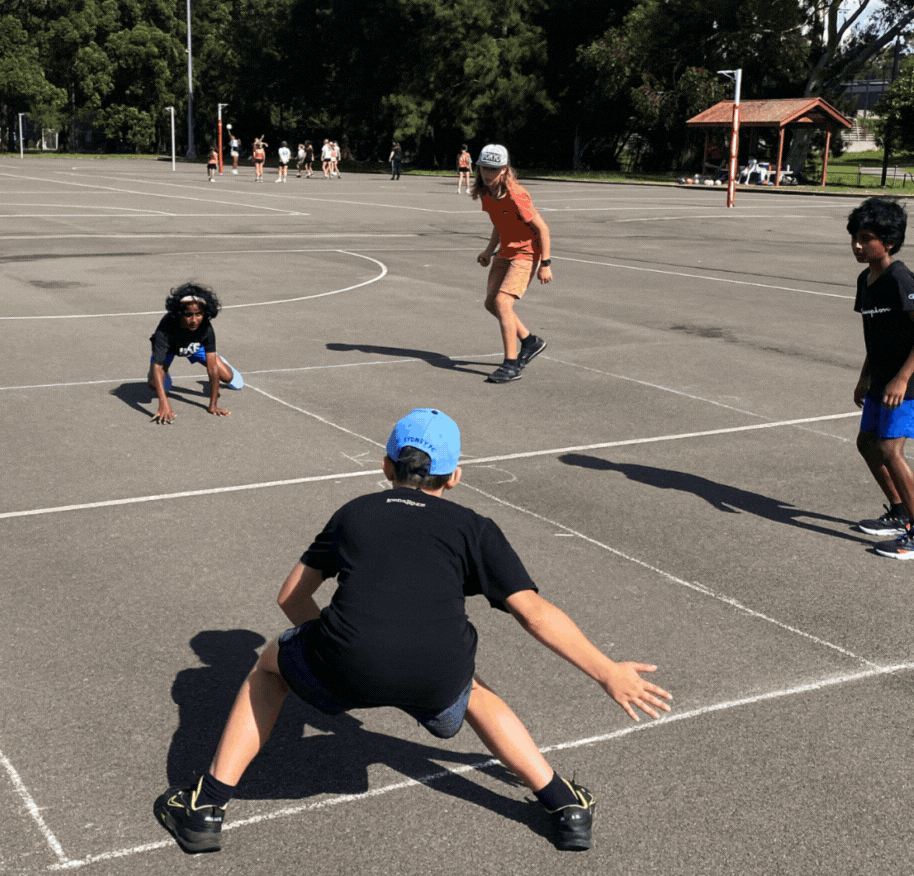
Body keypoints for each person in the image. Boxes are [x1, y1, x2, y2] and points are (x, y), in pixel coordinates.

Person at [154, 408, 672, 855]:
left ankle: (205, 808)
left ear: (385, 466)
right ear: (455, 476)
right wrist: (607, 672)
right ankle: (566, 808)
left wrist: (340, 647)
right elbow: (533, 613)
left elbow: (290, 596)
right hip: (436, 675)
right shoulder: (474, 526)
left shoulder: (353, 513)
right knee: (473, 687)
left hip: (344, 664)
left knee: (270, 666)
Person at [846, 198, 914, 559]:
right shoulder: (866, 280)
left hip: (908, 381)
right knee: (867, 443)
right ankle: (900, 514)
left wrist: (902, 378)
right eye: (855, 237)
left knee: (890, 449)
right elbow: (876, 337)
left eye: (867, 237)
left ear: (887, 242)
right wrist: (864, 378)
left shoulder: (899, 277)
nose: (858, 245)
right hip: (882, 379)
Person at [471, 144, 551, 384]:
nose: (487, 174)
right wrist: (488, 250)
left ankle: (511, 364)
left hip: (526, 254)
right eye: (484, 168)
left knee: (502, 303)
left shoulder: (517, 194)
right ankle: (530, 341)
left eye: (493, 169)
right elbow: (499, 223)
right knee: (490, 304)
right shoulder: (486, 193)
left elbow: (542, 228)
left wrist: (545, 263)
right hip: (505, 252)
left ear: (505, 170)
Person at [147, 283, 245, 425]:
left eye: (198, 314)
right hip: (170, 348)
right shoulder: (165, 329)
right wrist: (164, 403)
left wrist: (213, 405)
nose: (194, 320)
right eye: (188, 315)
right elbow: (157, 367)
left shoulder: (206, 328)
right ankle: (165, 372)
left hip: (195, 347)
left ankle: (221, 361)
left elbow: (212, 370)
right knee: (154, 384)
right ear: (180, 313)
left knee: (233, 380)